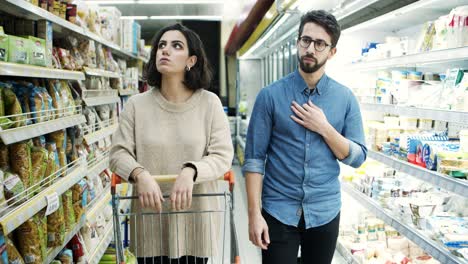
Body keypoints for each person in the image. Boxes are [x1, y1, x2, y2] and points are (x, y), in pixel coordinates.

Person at [244, 10, 367, 264]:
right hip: (278, 211)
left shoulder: (345, 98)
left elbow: (358, 156)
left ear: (332, 52)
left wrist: (324, 128)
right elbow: (254, 160)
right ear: (298, 42)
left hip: (325, 212)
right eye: (306, 40)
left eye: (320, 43)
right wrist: (254, 215)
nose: (311, 48)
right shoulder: (270, 96)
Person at [110, 23, 234, 264]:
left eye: (176, 46)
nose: (165, 50)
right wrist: (139, 174)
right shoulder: (137, 105)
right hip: (150, 225)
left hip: (195, 225)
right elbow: (118, 153)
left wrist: (191, 171)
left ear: (191, 60)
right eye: (161, 45)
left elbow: (221, 156)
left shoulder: (209, 104)